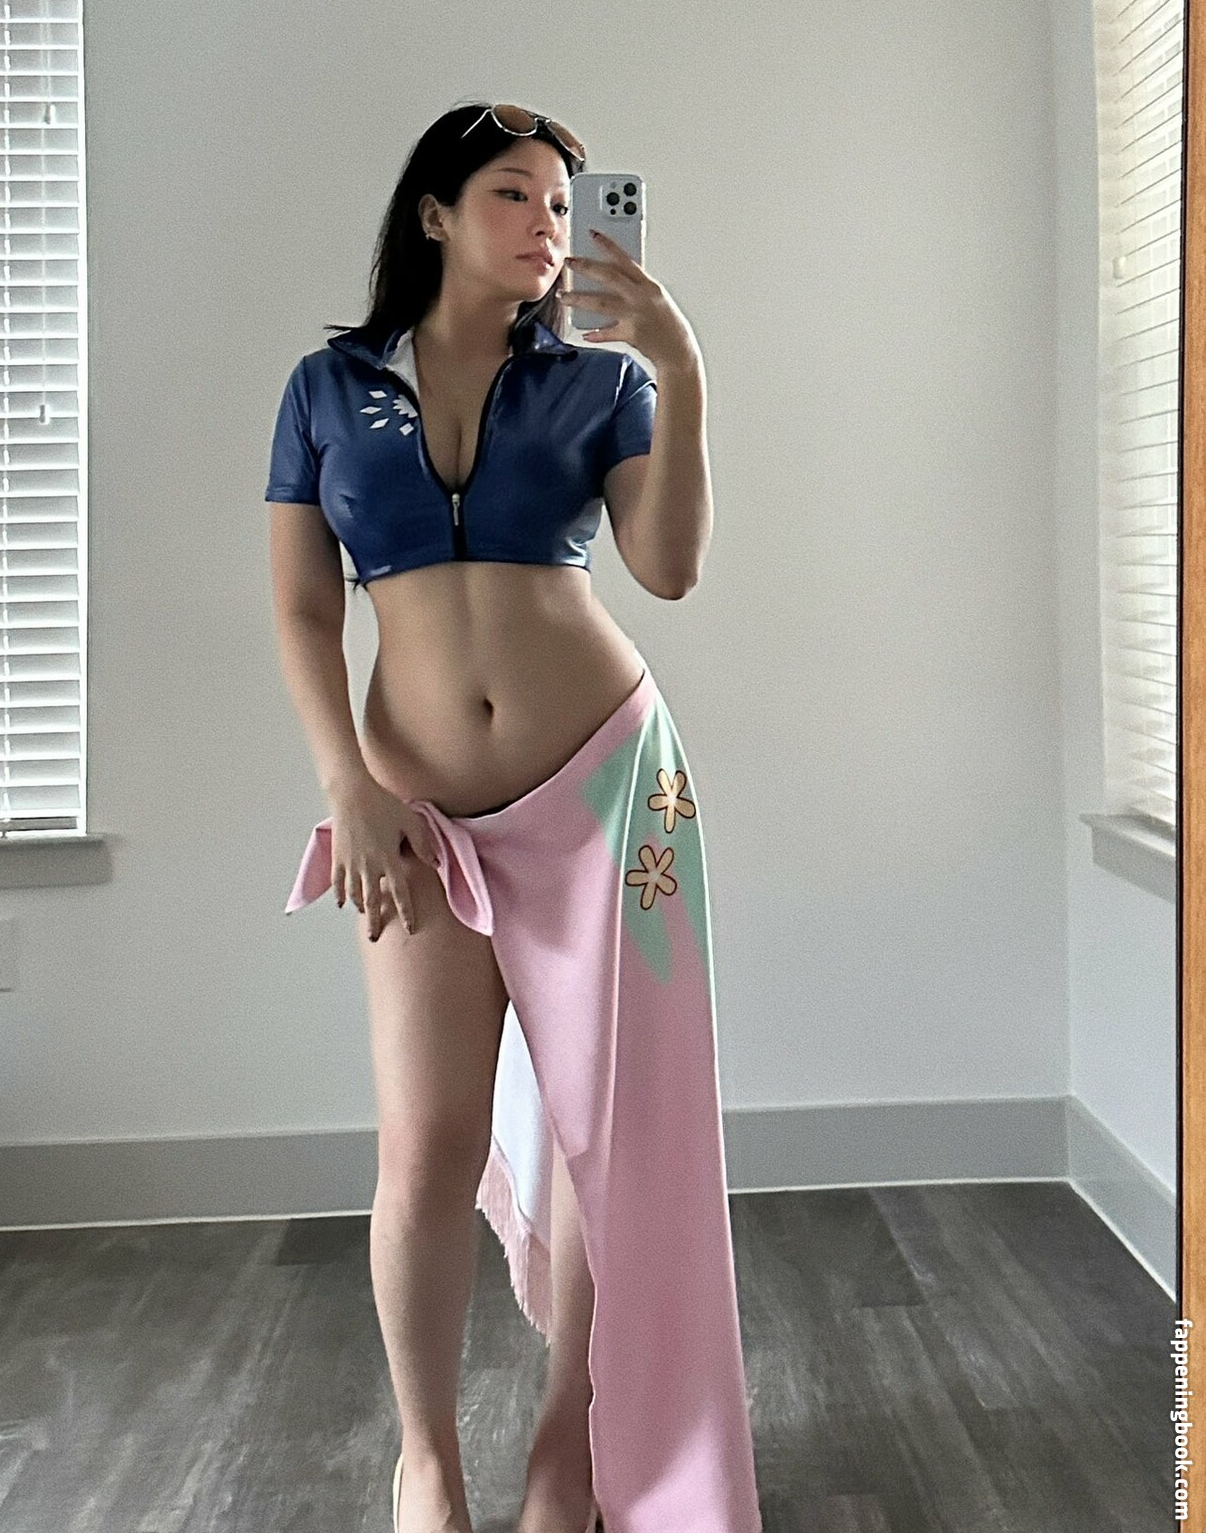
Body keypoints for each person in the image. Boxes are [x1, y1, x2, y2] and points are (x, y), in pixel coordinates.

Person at [265, 102, 760, 1533]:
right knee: (425, 1142)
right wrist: (349, 786)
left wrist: (677, 366)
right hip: (415, 815)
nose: (546, 224)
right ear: (433, 213)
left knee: (617, 1134)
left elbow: (667, 567)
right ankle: (426, 1459)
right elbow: (302, 608)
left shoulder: (601, 381)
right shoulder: (324, 388)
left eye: (559, 201)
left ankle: (572, 1431)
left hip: (610, 793)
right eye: (512, 194)